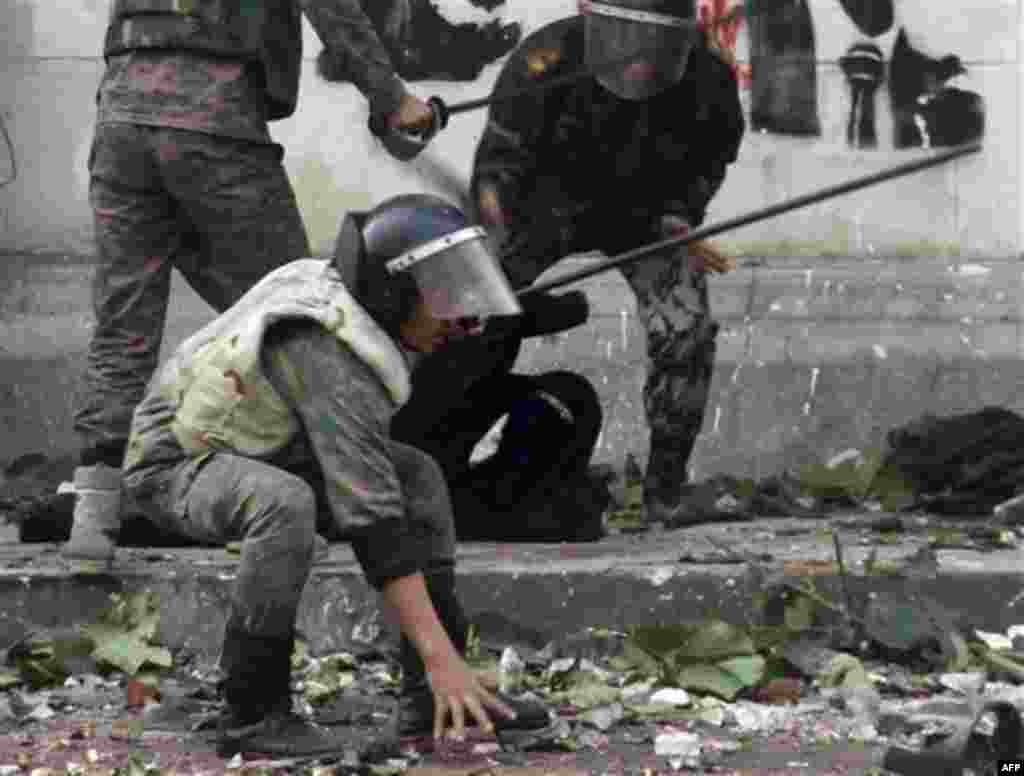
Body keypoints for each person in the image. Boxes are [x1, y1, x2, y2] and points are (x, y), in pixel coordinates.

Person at [119, 194, 557, 756]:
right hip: (174, 462)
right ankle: (252, 710)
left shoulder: (352, 298)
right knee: (285, 504)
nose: (463, 317)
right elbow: (372, 522)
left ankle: (434, 699)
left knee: (417, 478)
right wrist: (441, 655)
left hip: (265, 446)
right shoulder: (327, 350)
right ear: (396, 292)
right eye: (443, 294)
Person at [66, 0, 440, 561]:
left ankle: (93, 511)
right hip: (215, 121)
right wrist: (393, 100)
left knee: (125, 321)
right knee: (299, 313)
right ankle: (329, 499)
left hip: (121, 117)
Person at [469, 0, 746, 526]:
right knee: (470, 312)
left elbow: (712, 158)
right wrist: (492, 244)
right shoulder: (544, 60)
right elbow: (495, 168)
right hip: (542, 208)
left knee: (686, 328)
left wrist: (681, 215)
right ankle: (442, 455)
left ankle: (665, 488)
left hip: (646, 214)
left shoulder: (709, 79)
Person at [390, 290, 613, 543]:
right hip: (452, 498)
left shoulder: (482, 377)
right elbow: (570, 309)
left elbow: (569, 311)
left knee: (568, 392)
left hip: (467, 494)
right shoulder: (445, 376)